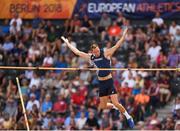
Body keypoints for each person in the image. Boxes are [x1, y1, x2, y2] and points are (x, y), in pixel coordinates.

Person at [61, 28, 134, 128]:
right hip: (101, 83)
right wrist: (67, 43)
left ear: (99, 48)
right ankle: (116, 107)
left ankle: (128, 116)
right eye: (95, 52)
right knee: (103, 106)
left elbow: (117, 45)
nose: (97, 52)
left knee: (116, 102)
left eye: (98, 50)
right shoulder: (91, 57)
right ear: (93, 52)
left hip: (109, 81)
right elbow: (77, 52)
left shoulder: (106, 53)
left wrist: (124, 34)